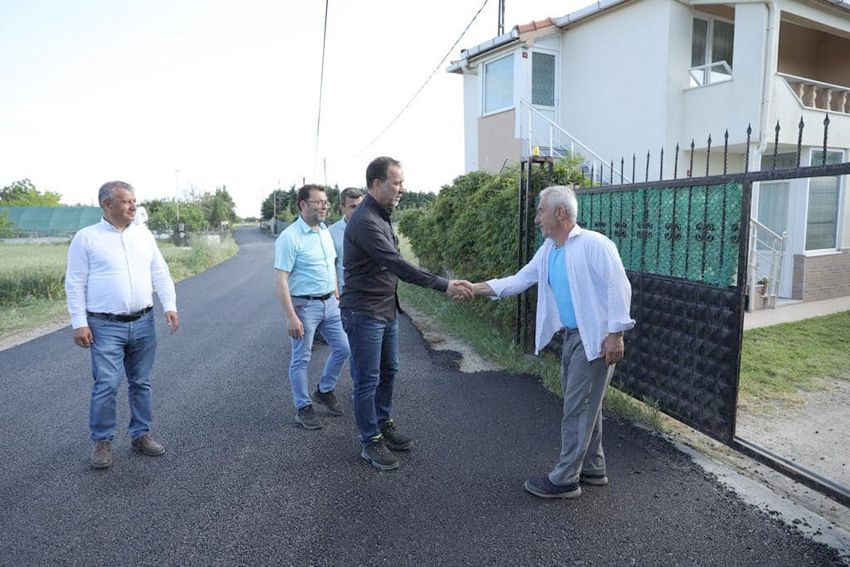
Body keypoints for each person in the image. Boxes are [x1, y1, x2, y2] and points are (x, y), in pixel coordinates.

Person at [470, 185, 634, 498]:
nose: (537, 219)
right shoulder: (550, 250)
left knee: (577, 407)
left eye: (541, 211)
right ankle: (593, 467)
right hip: (572, 337)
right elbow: (519, 280)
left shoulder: (594, 244)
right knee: (587, 404)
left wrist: (616, 335)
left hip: (596, 341)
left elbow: (619, 288)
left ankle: (565, 479)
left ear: (560, 212)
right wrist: (474, 288)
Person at [341, 156, 473, 470]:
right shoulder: (365, 221)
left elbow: (396, 260)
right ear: (376, 184)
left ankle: (383, 424)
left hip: (385, 310)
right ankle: (370, 439)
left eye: (402, 182)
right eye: (396, 182)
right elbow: (397, 264)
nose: (402, 188)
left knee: (389, 372)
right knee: (366, 379)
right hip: (364, 313)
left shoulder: (381, 215)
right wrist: (445, 285)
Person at [65, 181, 179, 469]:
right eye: (127, 201)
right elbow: (75, 282)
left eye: (134, 201)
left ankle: (141, 435)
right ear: (107, 204)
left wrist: (170, 306)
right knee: (107, 384)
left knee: (141, 382)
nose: (133, 206)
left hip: (143, 322)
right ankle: (102, 442)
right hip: (104, 325)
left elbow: (160, 273)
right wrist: (79, 323)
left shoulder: (144, 235)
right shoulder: (86, 238)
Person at [274, 184, 350, 430]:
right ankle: (303, 407)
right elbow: (281, 280)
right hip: (304, 308)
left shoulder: (324, 231)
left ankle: (324, 390)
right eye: (318, 202)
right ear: (303, 205)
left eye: (326, 201)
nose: (324, 206)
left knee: (343, 348)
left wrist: (336, 294)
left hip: (330, 304)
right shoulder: (290, 237)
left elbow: (330, 265)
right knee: (301, 359)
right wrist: (290, 317)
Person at [328, 187, 364, 295]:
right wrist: (336, 295)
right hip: (346, 296)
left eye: (360, 206)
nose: (358, 210)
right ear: (342, 208)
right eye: (353, 207)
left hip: (371, 296)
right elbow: (330, 267)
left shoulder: (372, 229)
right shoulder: (331, 233)